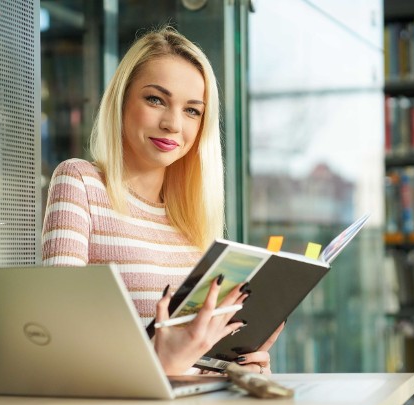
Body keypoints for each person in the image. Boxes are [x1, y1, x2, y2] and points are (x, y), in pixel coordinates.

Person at [41, 26, 283, 376]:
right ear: (122, 101)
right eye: (155, 99)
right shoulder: (80, 182)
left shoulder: (192, 221)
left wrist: (233, 367)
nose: (172, 124)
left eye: (192, 111)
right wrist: (161, 366)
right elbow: (54, 340)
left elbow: (191, 362)